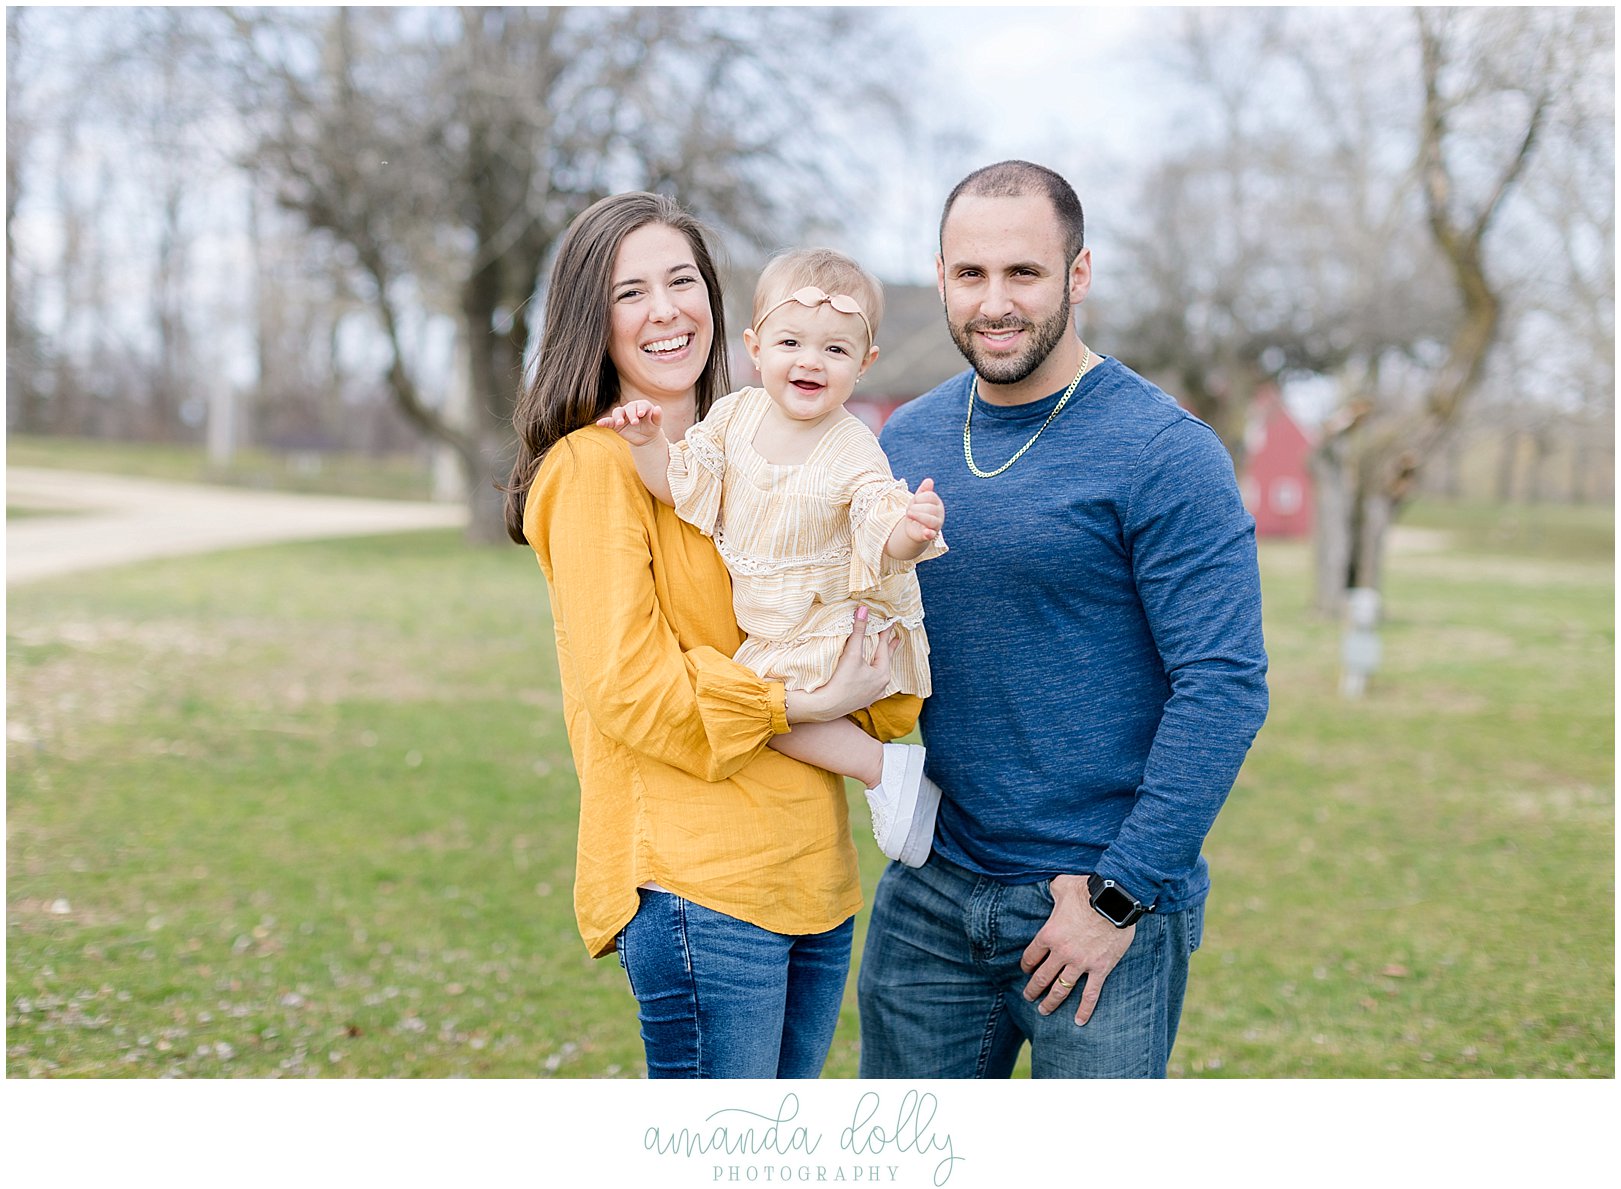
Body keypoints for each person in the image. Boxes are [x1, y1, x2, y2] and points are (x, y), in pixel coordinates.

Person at [858, 160, 1270, 1079]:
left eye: (1023, 273)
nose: (994, 302)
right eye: (971, 275)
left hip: (1099, 904)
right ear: (940, 277)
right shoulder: (904, 441)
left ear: (1077, 275)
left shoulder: (1164, 453)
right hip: (930, 891)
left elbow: (1224, 686)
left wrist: (1116, 897)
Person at [506, 192, 918, 1079]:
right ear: (592, 319)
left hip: (814, 877)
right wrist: (810, 699)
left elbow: (841, 615)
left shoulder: (769, 450)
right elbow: (630, 689)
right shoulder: (594, 467)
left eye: (681, 280)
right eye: (630, 291)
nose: (664, 310)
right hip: (701, 885)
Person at [598, 247, 947, 868]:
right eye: (791, 343)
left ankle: (882, 770)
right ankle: (882, 769)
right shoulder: (734, 417)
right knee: (752, 706)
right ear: (756, 348)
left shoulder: (851, 446)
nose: (810, 361)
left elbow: (878, 524)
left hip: (831, 616)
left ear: (864, 364)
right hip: (774, 616)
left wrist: (911, 532)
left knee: (754, 705)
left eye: (835, 350)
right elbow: (680, 485)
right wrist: (649, 442)